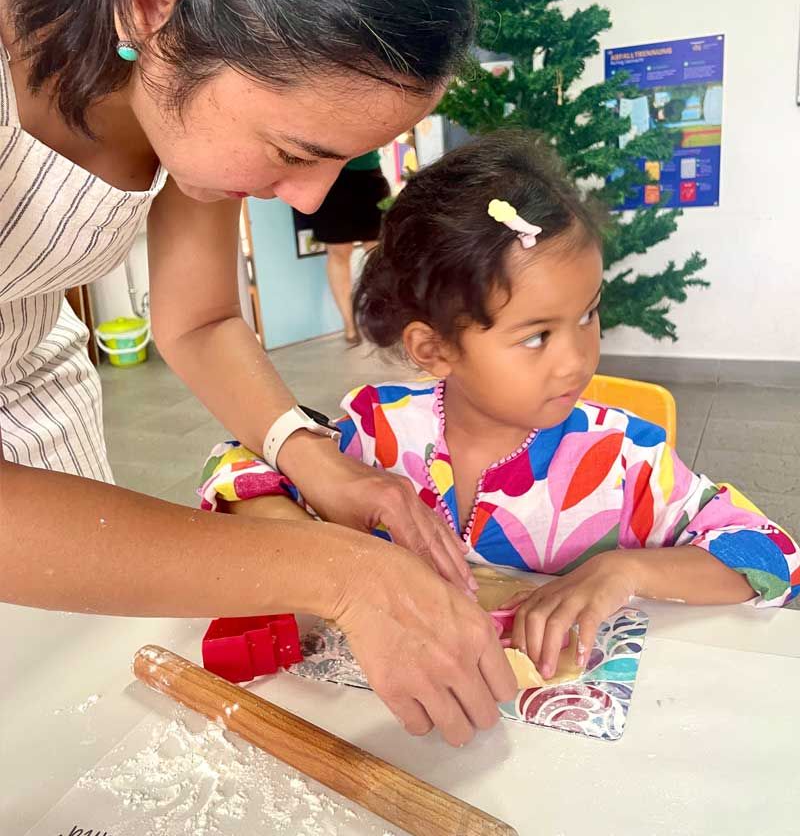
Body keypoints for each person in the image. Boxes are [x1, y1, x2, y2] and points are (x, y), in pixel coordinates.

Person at [0, 0, 517, 747]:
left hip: (38, 406)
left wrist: (314, 458)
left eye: (343, 160)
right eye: (293, 151)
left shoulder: (176, 41)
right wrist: (334, 573)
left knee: (55, 716)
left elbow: (198, 317)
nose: (313, 200)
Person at [200, 131, 800, 681]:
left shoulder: (624, 462)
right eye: (536, 335)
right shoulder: (377, 435)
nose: (576, 360)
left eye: (588, 313)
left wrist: (623, 570)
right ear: (433, 348)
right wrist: (315, 549)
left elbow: (771, 554)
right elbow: (233, 467)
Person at [295, 150, 390, 344]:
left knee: (376, 250)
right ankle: (350, 325)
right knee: (339, 251)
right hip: (329, 176)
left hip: (367, 170)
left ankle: (383, 316)